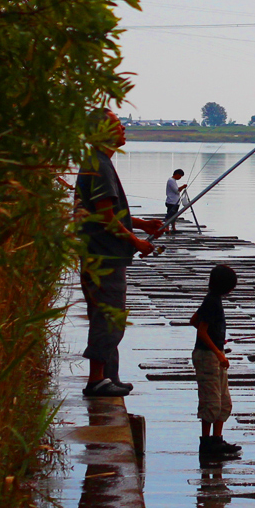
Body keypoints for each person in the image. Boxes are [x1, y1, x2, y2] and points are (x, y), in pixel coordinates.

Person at [76, 109, 164, 398]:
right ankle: (97, 380)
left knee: (106, 315)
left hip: (98, 255)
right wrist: (137, 241)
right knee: (108, 317)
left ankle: (108, 376)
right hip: (105, 257)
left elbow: (109, 212)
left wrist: (142, 223)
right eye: (117, 124)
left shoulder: (97, 162)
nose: (124, 128)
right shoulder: (99, 165)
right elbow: (105, 219)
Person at [190, 264, 242, 459]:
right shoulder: (212, 302)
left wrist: (218, 340)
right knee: (211, 400)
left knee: (223, 400)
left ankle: (217, 439)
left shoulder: (211, 300)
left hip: (214, 352)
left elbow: (194, 320)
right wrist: (218, 353)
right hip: (207, 357)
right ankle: (206, 443)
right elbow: (201, 331)